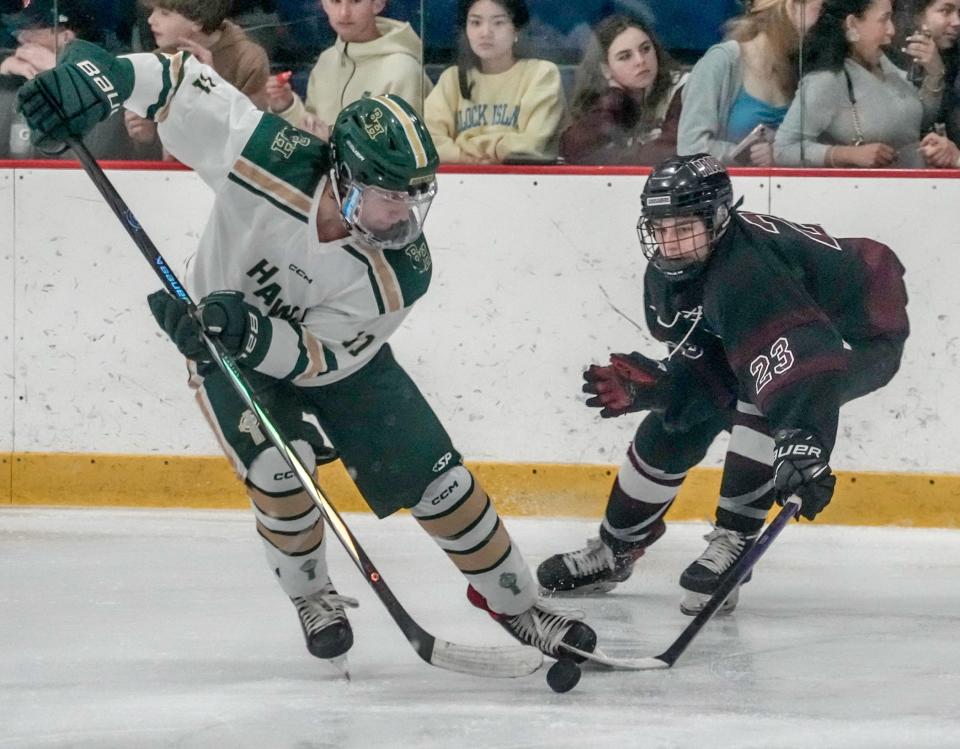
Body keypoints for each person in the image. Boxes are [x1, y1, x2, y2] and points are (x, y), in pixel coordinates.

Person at [17, 40, 598, 666]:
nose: (403, 215)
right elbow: (178, 79)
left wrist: (253, 333)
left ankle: (516, 606)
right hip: (226, 347)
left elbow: (324, 356)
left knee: (442, 482)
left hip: (330, 358)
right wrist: (101, 76)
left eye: (414, 198)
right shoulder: (268, 156)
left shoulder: (403, 269)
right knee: (279, 470)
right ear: (344, 175)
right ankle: (311, 594)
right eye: (389, 196)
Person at [537, 153, 908, 616]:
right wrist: (662, 391)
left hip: (857, 334)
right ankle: (616, 548)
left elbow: (800, 358)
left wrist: (802, 442)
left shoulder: (749, 273)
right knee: (675, 425)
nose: (669, 242)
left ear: (717, 219)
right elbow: (708, 371)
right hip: (785, 332)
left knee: (760, 396)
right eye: (661, 228)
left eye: (683, 227)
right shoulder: (669, 275)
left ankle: (733, 542)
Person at [774, 0, 944, 168]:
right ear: (852, 24)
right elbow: (784, 149)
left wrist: (935, 74)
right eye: (884, 19)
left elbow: (913, 122)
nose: (891, 30)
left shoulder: (884, 63)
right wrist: (847, 155)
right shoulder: (826, 79)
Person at [677, 0, 825, 166]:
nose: (824, 22)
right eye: (821, 10)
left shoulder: (803, 71)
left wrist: (780, 154)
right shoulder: (722, 62)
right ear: (792, 7)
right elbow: (691, 147)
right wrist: (745, 155)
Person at [264, 0, 432, 141]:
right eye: (336, 1)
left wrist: (331, 140)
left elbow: (404, 151)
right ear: (324, 4)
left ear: (378, 3)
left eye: (356, 1)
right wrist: (287, 106)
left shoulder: (404, 70)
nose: (344, 13)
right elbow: (311, 135)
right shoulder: (326, 61)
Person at [424, 0, 565, 164]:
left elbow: (528, 146)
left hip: (525, 183)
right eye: (476, 22)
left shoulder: (541, 74)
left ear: (516, 29)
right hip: (461, 182)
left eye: (498, 23)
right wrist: (470, 159)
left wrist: (465, 146)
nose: (486, 32)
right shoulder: (452, 78)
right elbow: (427, 142)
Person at [124, 0, 271, 153]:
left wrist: (211, 87)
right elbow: (148, 161)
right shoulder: (158, 61)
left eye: (164, 13)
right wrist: (147, 139)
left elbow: (254, 141)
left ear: (198, 21)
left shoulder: (248, 59)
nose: (150, 20)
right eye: (152, 11)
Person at [0, 0, 135, 159]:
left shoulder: (105, 84)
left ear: (66, 36)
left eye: (33, 29)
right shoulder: (17, 79)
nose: (22, 37)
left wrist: (61, 74)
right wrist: (3, 78)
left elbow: (94, 157)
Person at [559, 15, 688, 165]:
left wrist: (606, 158)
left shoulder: (683, 88)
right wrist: (614, 98)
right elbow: (574, 148)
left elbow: (670, 152)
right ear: (606, 69)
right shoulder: (605, 99)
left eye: (646, 49)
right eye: (625, 56)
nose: (640, 61)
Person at [890, 0, 960, 167]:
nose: (957, 22)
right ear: (916, 15)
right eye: (945, 11)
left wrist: (936, 73)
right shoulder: (885, 59)